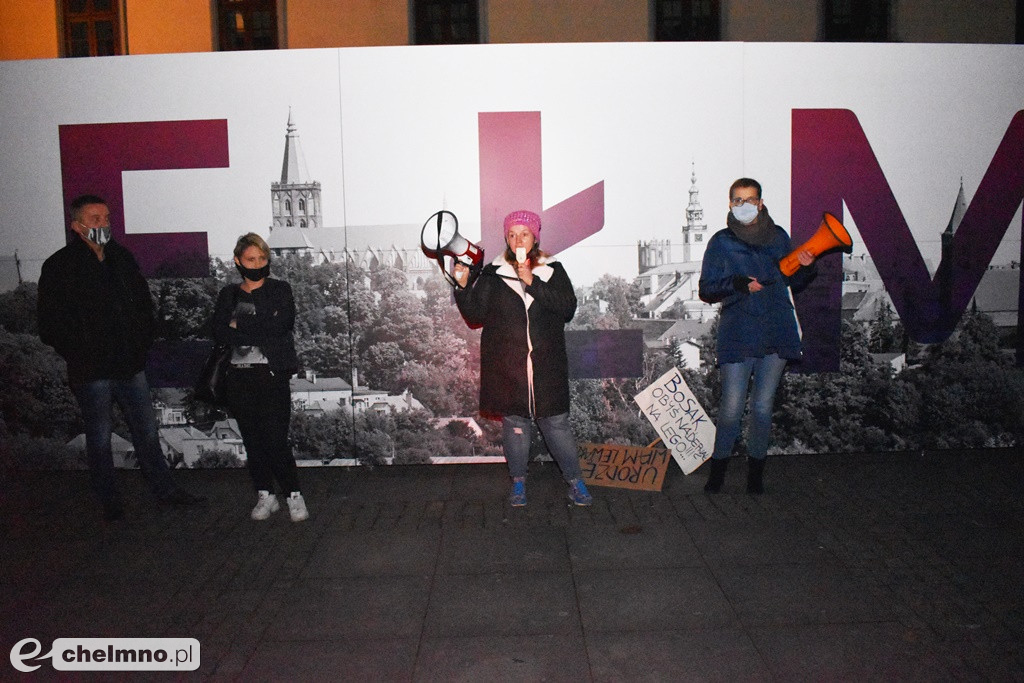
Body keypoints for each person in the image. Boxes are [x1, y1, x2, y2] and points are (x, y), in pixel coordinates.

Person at [38, 194, 204, 521]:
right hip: (91, 370)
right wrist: (80, 351)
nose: (103, 224)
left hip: (130, 365)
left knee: (146, 431)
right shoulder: (59, 266)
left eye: (106, 218)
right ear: (76, 226)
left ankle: (166, 491)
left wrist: (140, 345)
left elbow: (143, 306)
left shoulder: (122, 259)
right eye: (95, 218)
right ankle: (109, 501)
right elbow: (50, 323)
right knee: (100, 437)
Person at [453, 210, 592, 507]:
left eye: (524, 234)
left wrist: (532, 281)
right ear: (506, 238)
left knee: (556, 424)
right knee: (515, 425)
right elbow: (475, 315)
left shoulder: (552, 269)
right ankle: (518, 483)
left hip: (547, 367)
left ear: (535, 237)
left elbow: (567, 308)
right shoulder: (493, 273)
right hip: (508, 369)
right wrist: (462, 287)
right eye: (512, 234)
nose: (518, 239)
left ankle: (575, 481)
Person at [698, 178, 816, 494]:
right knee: (732, 409)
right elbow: (706, 290)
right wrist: (737, 283)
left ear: (761, 203)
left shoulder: (779, 238)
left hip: (777, 330)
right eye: (737, 200)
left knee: (762, 408)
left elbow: (796, 281)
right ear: (729, 204)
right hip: (738, 333)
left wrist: (806, 266)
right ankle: (718, 471)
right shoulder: (721, 242)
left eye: (750, 199)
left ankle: (755, 475)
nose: (744, 205)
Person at [213, 233, 307, 522]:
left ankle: (293, 494)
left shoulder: (281, 288)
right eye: (251, 259)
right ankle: (265, 494)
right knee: (253, 440)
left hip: (272, 374)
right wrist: (258, 322)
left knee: (276, 439)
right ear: (238, 261)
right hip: (239, 377)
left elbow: (282, 325)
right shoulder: (228, 293)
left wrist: (239, 322)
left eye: (262, 258)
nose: (257, 264)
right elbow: (219, 331)